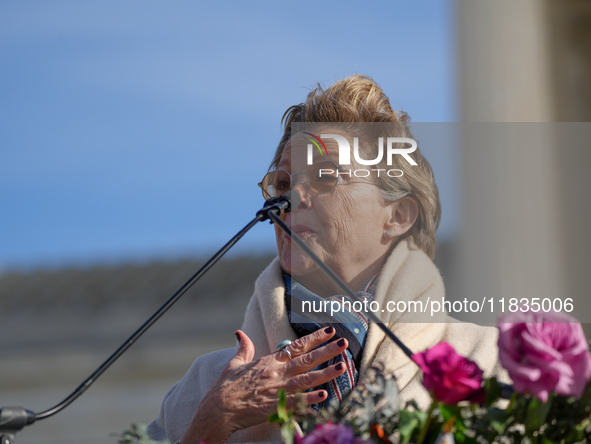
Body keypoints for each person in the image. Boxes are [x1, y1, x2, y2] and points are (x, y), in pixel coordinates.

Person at [147, 75, 508, 444]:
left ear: (397, 215)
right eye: (283, 184)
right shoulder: (204, 387)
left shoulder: (492, 364)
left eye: (324, 176)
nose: (290, 200)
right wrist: (209, 426)